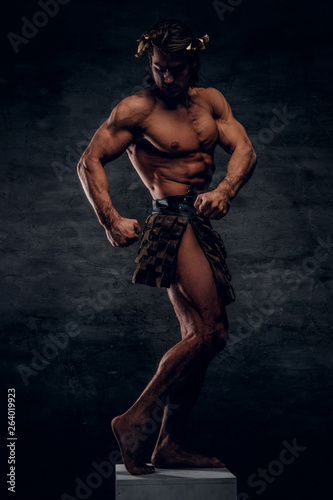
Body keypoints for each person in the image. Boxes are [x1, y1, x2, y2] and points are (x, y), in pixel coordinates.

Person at [77, 19, 257, 475]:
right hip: (170, 223)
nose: (168, 78)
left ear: (191, 64)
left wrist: (227, 189)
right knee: (209, 334)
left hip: (199, 220)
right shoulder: (138, 110)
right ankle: (132, 420)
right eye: (159, 68)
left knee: (200, 338)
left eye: (176, 69)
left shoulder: (210, 101)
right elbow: (89, 160)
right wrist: (110, 219)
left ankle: (169, 445)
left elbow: (245, 149)